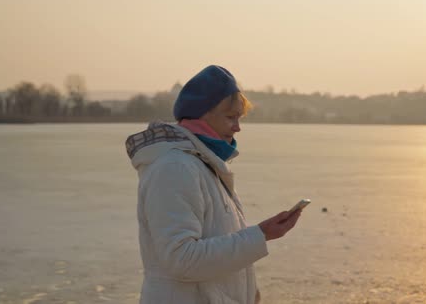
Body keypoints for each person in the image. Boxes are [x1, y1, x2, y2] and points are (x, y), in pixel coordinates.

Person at [125, 65, 303, 304]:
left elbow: (218, 254)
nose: (238, 127)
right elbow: (182, 259)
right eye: (231, 117)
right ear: (202, 114)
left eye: (239, 118)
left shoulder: (205, 165)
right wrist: (261, 234)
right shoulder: (175, 167)